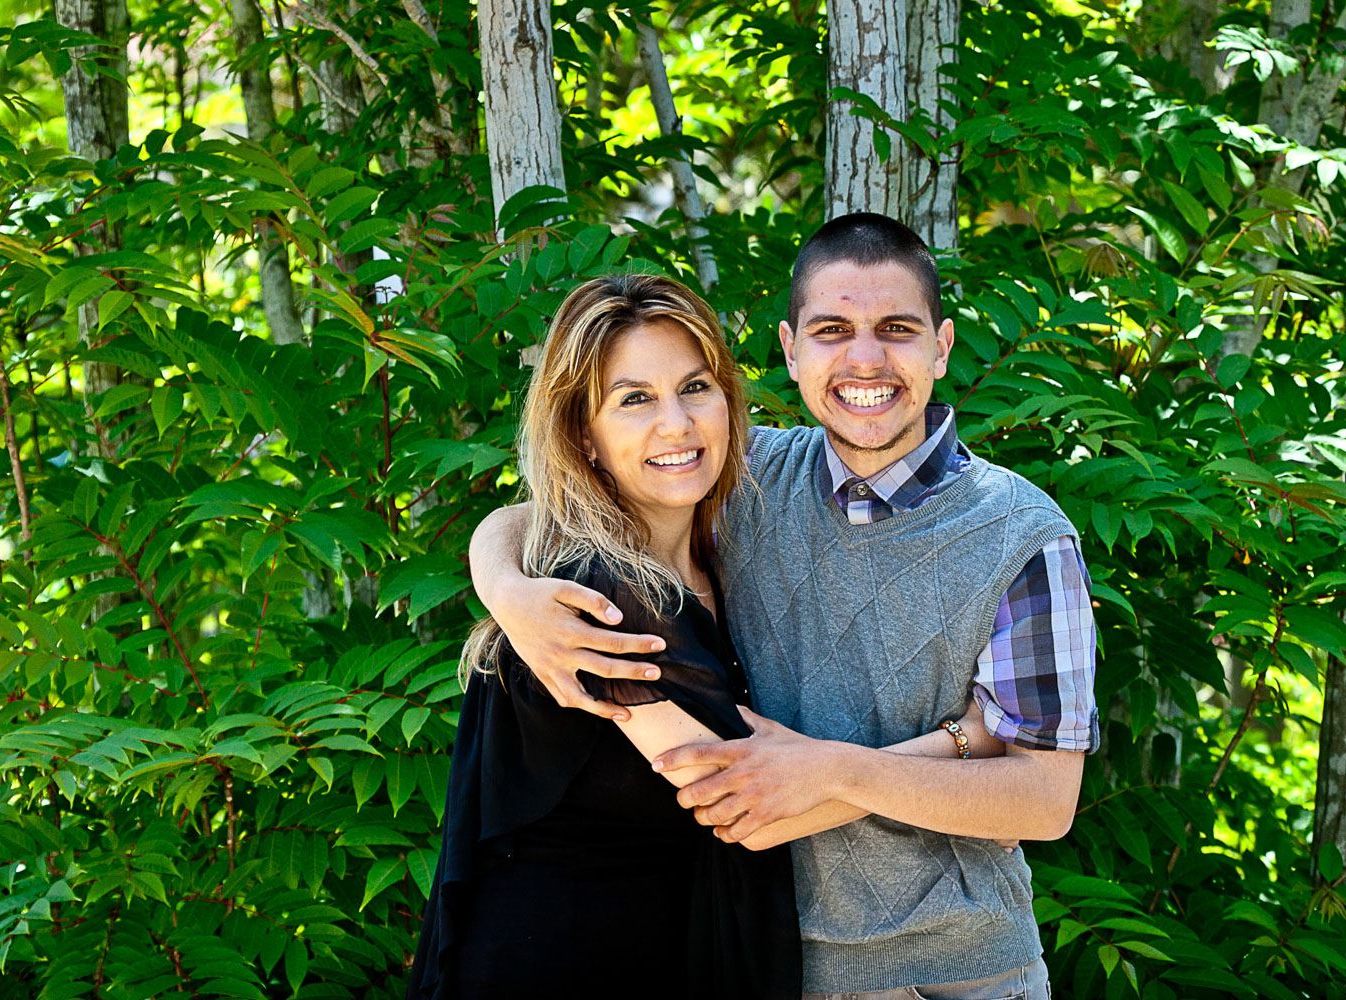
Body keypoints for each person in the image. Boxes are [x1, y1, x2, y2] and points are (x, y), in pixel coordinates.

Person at [470, 215, 1099, 1000]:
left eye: (895, 329)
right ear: (791, 349)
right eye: (833, 329)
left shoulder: (1025, 536)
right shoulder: (744, 473)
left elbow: (1043, 799)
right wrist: (503, 584)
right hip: (774, 962)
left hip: (968, 969)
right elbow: (570, 504)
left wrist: (831, 768)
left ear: (940, 346)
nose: (865, 359)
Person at [408, 274, 815, 999]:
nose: (677, 425)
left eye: (695, 387)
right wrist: (960, 748)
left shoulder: (724, 550)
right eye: (635, 400)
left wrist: (496, 574)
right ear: (584, 438)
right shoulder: (598, 596)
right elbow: (742, 801)